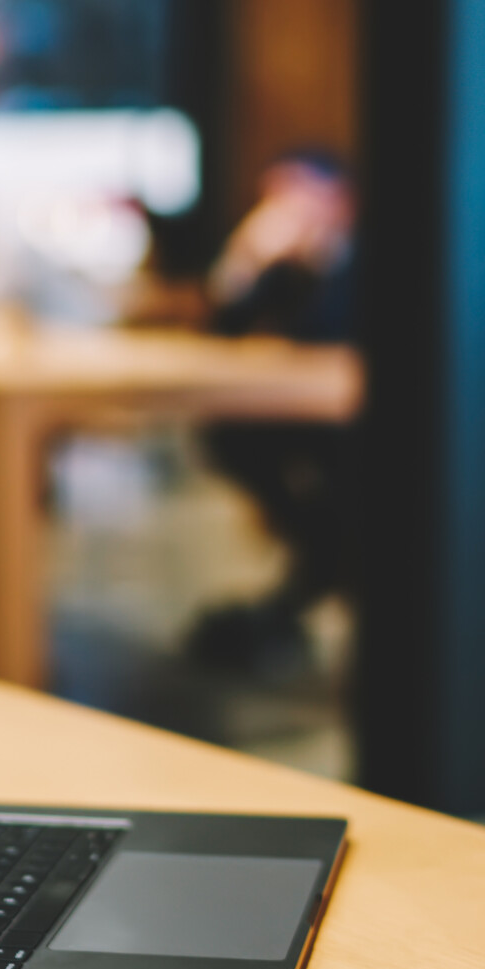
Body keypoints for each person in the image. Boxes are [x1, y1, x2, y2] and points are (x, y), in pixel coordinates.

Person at [187, 150, 357, 674]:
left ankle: (320, 570)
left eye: (295, 193)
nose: (282, 209)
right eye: (273, 197)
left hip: (355, 425)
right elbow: (222, 332)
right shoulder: (286, 267)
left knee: (342, 489)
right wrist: (245, 261)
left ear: (337, 199)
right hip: (304, 419)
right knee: (226, 432)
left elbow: (330, 337)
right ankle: (320, 566)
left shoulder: (355, 258)